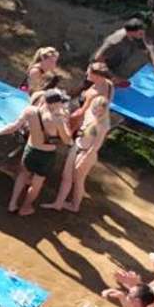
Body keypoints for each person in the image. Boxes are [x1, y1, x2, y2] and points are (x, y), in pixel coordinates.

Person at [47, 63, 114, 212]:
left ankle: (74, 206)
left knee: (78, 180)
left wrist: (63, 118)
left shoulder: (101, 123)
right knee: (68, 177)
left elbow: (94, 144)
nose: (86, 74)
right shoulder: (106, 89)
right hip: (79, 144)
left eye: (89, 72)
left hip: (85, 150)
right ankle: (60, 203)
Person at [0, 88, 72, 216]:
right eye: (61, 102)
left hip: (31, 150)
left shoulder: (30, 111)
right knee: (37, 183)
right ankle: (25, 207)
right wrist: (65, 122)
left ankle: (12, 203)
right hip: (46, 155)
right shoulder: (57, 119)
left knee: (22, 175)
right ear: (54, 103)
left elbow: (14, 126)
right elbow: (67, 140)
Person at [95, 17, 154, 90]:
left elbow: (148, 48)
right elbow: (98, 59)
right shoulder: (115, 41)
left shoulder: (138, 35)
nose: (142, 35)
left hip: (118, 64)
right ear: (131, 32)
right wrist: (112, 76)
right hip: (103, 68)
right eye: (141, 33)